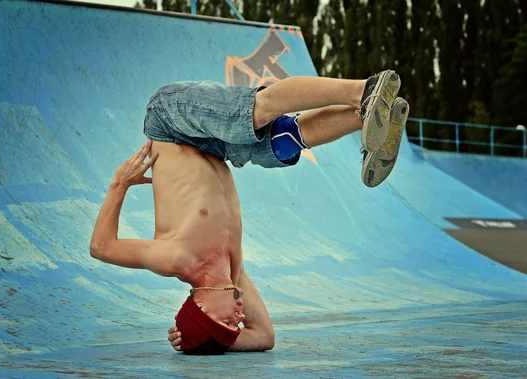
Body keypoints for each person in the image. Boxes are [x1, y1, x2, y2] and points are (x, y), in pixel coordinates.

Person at [89, 72, 410, 354]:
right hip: (217, 149)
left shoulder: (176, 258)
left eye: (228, 320)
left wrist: (120, 183)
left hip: (171, 122)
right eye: (236, 325)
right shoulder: (234, 275)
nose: (240, 317)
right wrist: (197, 340)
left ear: (200, 306)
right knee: (284, 141)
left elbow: (101, 247)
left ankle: (363, 91)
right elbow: (265, 337)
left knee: (255, 111)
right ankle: (365, 119)